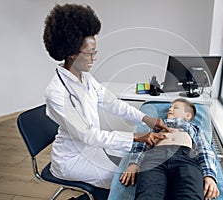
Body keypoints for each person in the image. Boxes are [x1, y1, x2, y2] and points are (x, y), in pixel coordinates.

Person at [42, 4, 169, 200]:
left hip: (91, 149)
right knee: (125, 180)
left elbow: (113, 104)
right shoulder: (56, 92)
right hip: (71, 160)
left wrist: (147, 119)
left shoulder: (86, 78)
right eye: (90, 53)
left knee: (134, 163)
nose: (94, 58)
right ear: (71, 54)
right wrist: (136, 137)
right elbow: (88, 136)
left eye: (95, 52)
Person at [119, 98, 219, 200]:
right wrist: (134, 163)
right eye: (170, 107)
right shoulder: (158, 125)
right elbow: (142, 144)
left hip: (185, 158)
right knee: (147, 195)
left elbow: (205, 150)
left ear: (188, 115)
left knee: (190, 194)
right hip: (155, 158)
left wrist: (209, 176)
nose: (170, 109)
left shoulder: (194, 128)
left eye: (175, 107)